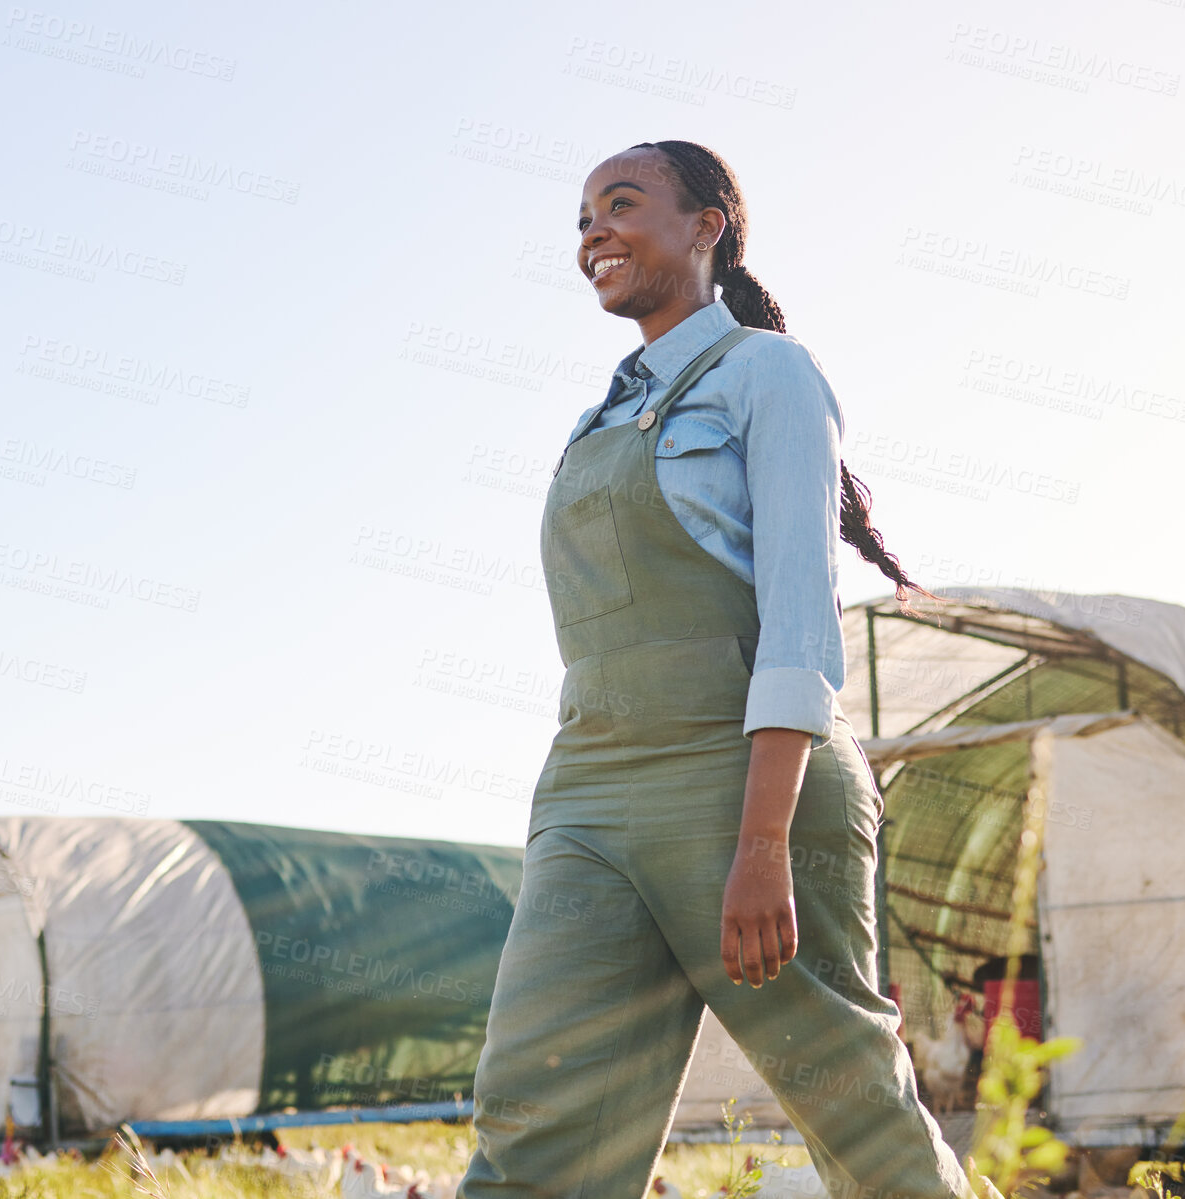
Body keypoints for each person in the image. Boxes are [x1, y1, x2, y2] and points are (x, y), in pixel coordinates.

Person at [457, 140, 977, 1199]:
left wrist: (758, 840)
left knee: (848, 1106)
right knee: (534, 1105)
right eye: (581, 217)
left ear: (706, 226)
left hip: (738, 774)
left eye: (620, 203)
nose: (592, 230)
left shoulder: (765, 373)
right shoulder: (593, 418)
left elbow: (797, 622)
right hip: (589, 786)